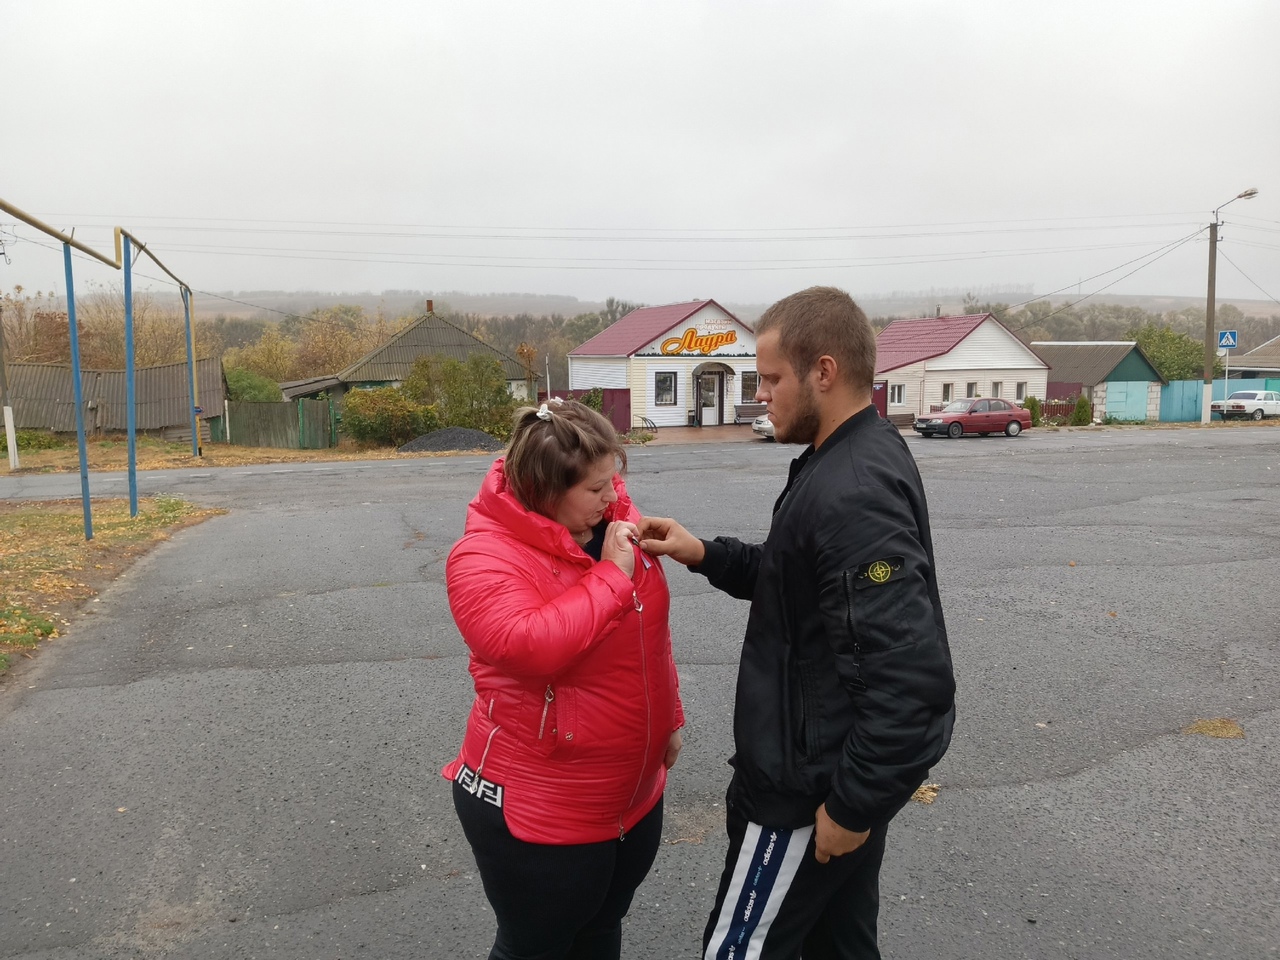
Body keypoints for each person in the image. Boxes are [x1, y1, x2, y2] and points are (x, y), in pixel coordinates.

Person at [639, 287, 955, 960]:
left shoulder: (854, 491)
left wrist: (851, 806)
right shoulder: (844, 458)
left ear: (825, 371)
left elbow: (911, 677)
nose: (762, 395)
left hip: (805, 799)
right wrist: (703, 553)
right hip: (826, 783)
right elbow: (798, 585)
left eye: (773, 378)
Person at [443, 398, 684, 960]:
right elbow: (530, 647)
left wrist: (669, 717)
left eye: (614, 481)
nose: (612, 497)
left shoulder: (610, 522)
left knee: (600, 929)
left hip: (630, 794)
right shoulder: (482, 556)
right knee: (536, 945)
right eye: (595, 489)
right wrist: (612, 577)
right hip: (540, 807)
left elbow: (649, 634)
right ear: (546, 491)